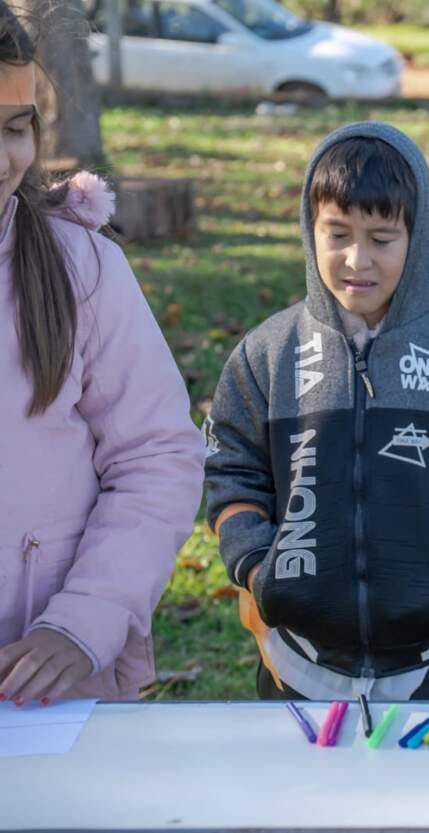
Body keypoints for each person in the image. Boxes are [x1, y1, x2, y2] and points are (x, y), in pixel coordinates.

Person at [204, 122, 429, 701]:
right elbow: (230, 469)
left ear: (418, 237)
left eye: (382, 238)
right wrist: (257, 564)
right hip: (297, 663)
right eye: (336, 234)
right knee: (301, 793)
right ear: (308, 230)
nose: (356, 260)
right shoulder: (267, 353)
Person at [0, 3, 203, 705]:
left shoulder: (81, 268)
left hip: (59, 688)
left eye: (16, 127)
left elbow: (157, 457)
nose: (4, 159)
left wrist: (84, 621)